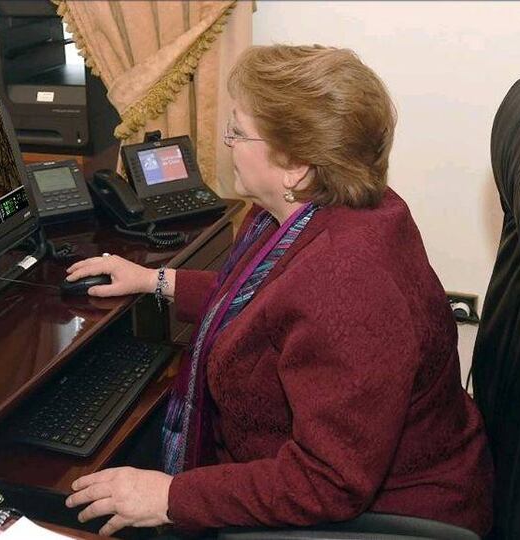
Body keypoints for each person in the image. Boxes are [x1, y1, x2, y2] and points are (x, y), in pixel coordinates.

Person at [63, 44, 493, 538]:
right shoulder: (324, 211)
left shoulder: (347, 284)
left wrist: (171, 497)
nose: (228, 143)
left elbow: (329, 481)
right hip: (347, 477)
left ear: (296, 165)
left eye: (238, 131)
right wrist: (156, 280)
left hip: (385, 513)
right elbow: (261, 301)